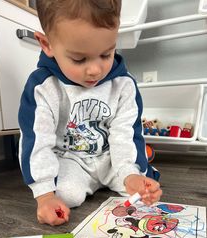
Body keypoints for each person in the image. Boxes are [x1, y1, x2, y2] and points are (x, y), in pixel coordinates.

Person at [18, 0, 162, 226]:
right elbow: (37, 142)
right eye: (79, 59)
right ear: (47, 45)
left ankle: (140, 166)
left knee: (137, 190)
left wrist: (131, 172)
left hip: (111, 157)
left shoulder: (123, 84)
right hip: (71, 159)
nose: (95, 70)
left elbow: (125, 133)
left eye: (106, 54)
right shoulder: (42, 87)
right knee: (65, 196)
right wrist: (45, 194)